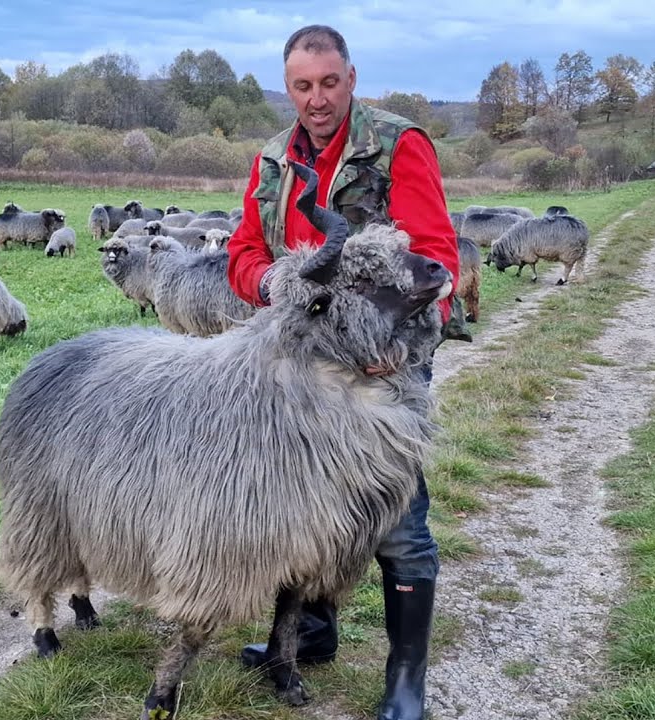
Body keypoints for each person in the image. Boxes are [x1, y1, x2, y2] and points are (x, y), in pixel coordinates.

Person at [226, 24, 460, 720]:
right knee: (295, 505)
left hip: (383, 361)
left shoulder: (397, 144)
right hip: (297, 365)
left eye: (329, 83)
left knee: (398, 522)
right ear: (288, 86)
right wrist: (275, 282)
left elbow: (435, 260)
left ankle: (405, 681)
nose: (317, 99)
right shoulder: (272, 161)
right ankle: (308, 637)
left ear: (351, 78)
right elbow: (242, 251)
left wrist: (396, 346)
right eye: (303, 86)